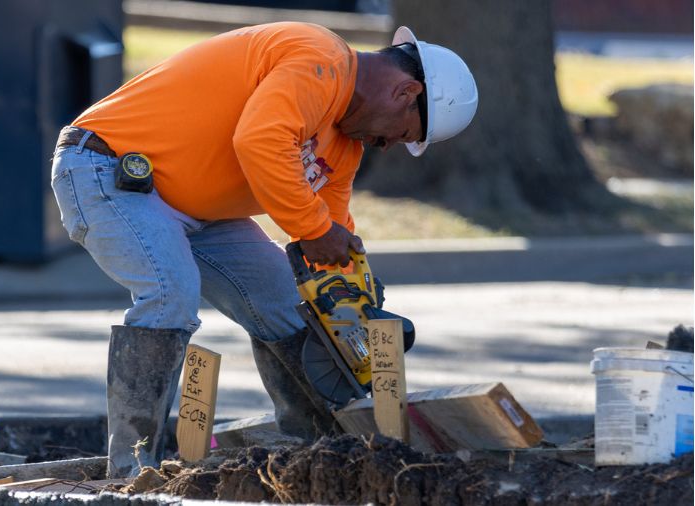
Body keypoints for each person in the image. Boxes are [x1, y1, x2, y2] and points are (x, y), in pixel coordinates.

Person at [50, 22, 478, 478]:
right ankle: (132, 471)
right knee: (169, 292)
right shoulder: (321, 60)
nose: (390, 145)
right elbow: (260, 140)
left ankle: (315, 457)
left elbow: (328, 243)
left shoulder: (345, 145)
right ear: (405, 91)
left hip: (200, 211)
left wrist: (353, 305)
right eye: (403, 132)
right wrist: (315, 229)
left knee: (291, 305)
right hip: (109, 167)